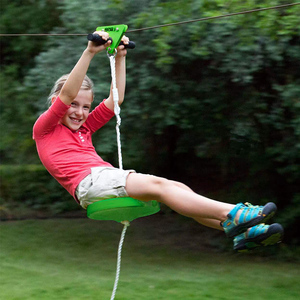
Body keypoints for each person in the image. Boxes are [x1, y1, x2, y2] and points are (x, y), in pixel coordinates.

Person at [33, 31, 283, 252]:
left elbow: (115, 100)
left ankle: (243, 232)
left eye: (85, 106)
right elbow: (67, 94)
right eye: (73, 105)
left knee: (178, 189)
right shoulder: (45, 129)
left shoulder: (84, 127)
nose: (79, 112)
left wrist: (120, 56)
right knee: (161, 185)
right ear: (57, 102)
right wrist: (89, 52)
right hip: (91, 183)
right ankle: (235, 212)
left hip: (100, 181)